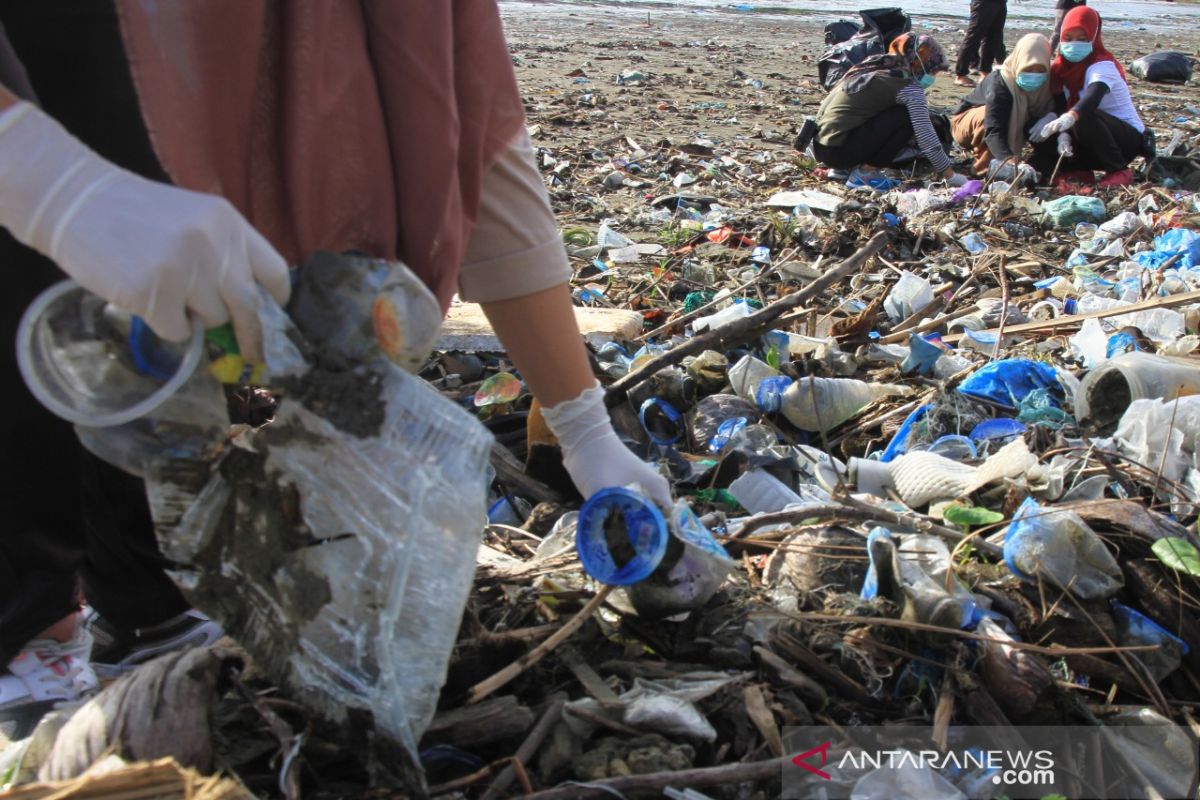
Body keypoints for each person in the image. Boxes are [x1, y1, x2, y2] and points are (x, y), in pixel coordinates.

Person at [0, 0, 670, 742]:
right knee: (47, 310)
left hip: (178, 243)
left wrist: (582, 425)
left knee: (159, 369)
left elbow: (483, 158)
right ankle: (30, 631)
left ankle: (148, 612)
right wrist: (44, 181)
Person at [814, 33, 970, 189]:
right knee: (905, 117)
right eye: (932, 71)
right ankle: (865, 174)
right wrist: (950, 175)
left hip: (821, 147)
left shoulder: (872, 67)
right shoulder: (908, 87)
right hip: (838, 152)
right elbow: (926, 136)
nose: (931, 77)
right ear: (918, 63)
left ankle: (843, 171)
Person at [1030, 5, 1149, 188]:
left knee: (1081, 117)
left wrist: (1070, 116)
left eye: (1082, 38)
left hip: (1123, 141)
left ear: (1093, 38)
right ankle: (1079, 170)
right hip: (1088, 143)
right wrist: (1059, 129)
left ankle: (1119, 170)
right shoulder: (1059, 70)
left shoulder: (1102, 66)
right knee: (1036, 126)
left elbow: (1091, 99)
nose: (1074, 44)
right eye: (1068, 38)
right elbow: (1060, 105)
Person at [951, 33, 1056, 181]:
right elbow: (993, 129)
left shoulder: (1047, 86)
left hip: (1002, 124)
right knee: (985, 116)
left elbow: (1056, 109)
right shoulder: (1001, 82)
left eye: (1040, 70)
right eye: (1028, 69)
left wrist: (1052, 118)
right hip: (968, 123)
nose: (1034, 75)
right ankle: (982, 168)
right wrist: (1010, 161)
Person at [953, 0, 1008, 87]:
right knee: (974, 37)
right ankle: (960, 75)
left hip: (1000, 2)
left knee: (993, 38)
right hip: (984, 3)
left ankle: (985, 73)